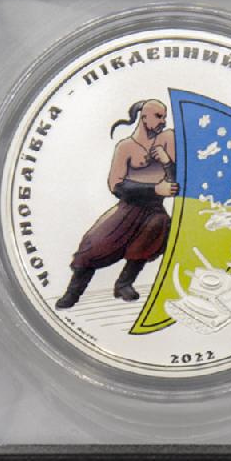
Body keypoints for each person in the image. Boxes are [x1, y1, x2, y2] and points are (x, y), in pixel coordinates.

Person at [55, 99, 178, 309]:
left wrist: (167, 162)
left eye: (165, 117)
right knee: (93, 245)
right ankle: (72, 293)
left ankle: (123, 284)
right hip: (128, 207)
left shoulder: (166, 143)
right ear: (144, 117)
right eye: (158, 116)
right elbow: (116, 185)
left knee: (153, 235)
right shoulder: (126, 146)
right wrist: (154, 189)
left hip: (155, 208)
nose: (163, 121)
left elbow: (178, 182)